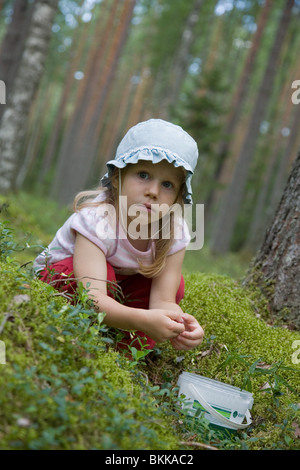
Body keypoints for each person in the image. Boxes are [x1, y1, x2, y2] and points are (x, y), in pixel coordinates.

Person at [34, 119, 204, 352]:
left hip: (115, 288)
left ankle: (123, 350)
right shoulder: (98, 219)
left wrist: (180, 325)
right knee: (107, 277)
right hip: (67, 279)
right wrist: (141, 319)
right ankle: (79, 332)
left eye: (167, 184)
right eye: (143, 175)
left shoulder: (174, 232)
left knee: (176, 286)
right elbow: (92, 298)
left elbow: (163, 301)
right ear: (117, 177)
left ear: (177, 196)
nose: (153, 192)